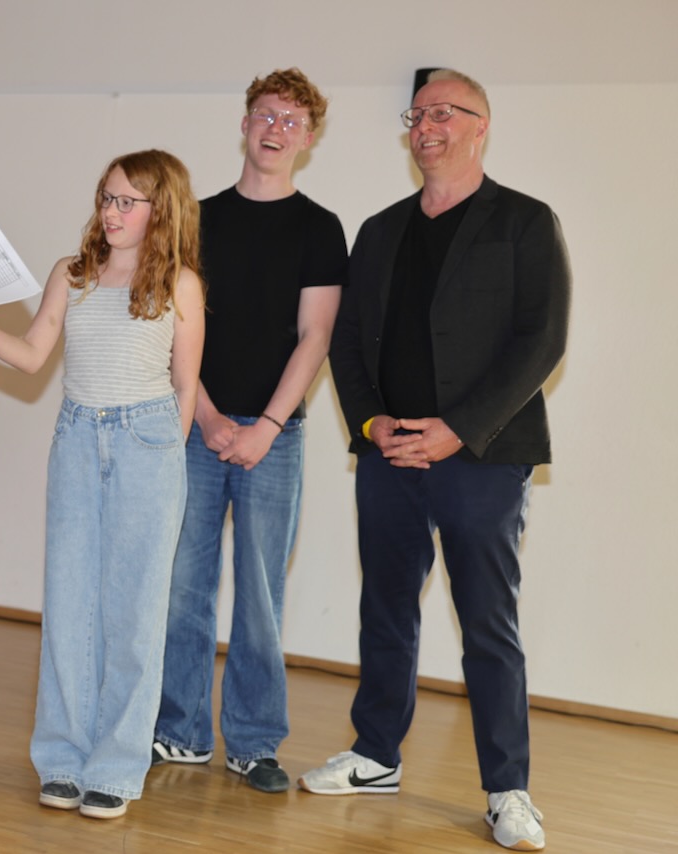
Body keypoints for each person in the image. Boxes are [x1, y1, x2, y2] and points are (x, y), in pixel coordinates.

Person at [300, 70, 570, 852]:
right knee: (385, 610)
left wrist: (460, 428)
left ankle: (508, 789)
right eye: (416, 115)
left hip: (482, 457)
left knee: (488, 623)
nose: (426, 126)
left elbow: (542, 341)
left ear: (481, 126)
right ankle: (376, 755)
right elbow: (348, 343)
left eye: (444, 113)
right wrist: (370, 421)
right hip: (389, 454)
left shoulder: (524, 221)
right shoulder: (380, 230)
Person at [0, 149, 204, 819]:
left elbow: (185, 386)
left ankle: (116, 767)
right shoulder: (73, 272)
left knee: (134, 615)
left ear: (161, 209)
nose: (111, 212)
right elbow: (34, 356)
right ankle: (61, 760)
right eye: (106, 198)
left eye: (127, 202)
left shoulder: (180, 284)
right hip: (78, 439)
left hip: (149, 444)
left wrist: (165, 463)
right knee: (68, 605)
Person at [150, 67, 347, 794]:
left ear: (309, 138)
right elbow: (174, 328)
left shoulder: (320, 228)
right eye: (265, 114)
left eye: (291, 121)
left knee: (262, 597)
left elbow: (316, 336)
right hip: (194, 427)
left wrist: (265, 426)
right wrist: (203, 415)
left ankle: (255, 743)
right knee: (183, 586)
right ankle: (180, 732)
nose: (275, 129)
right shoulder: (195, 221)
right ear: (244, 123)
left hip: (276, 440)